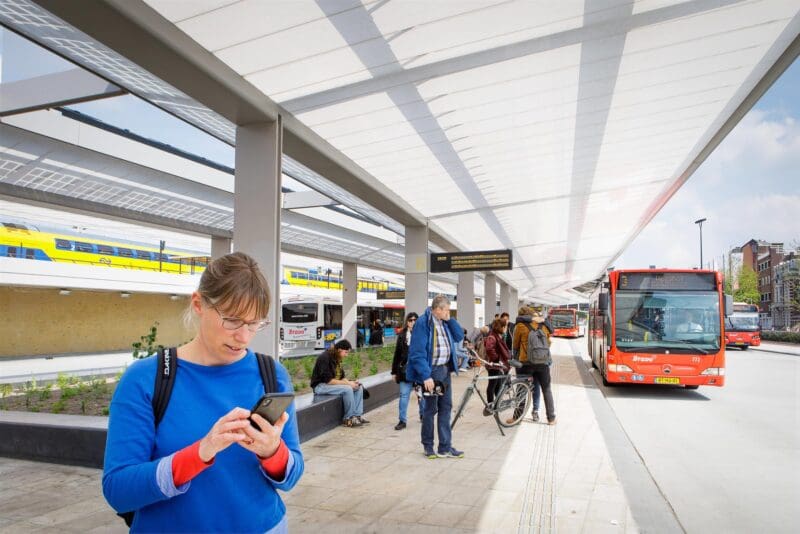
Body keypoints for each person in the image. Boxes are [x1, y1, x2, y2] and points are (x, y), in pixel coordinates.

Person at [103, 252, 304, 533]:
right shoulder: (146, 379)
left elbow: (292, 474)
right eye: (232, 320)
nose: (244, 337)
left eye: (254, 323)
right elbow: (118, 490)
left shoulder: (271, 374)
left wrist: (273, 451)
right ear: (198, 304)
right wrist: (200, 453)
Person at [407, 294, 465, 459]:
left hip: (445, 371)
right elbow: (417, 353)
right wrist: (426, 376)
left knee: (446, 407)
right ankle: (428, 446)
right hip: (431, 372)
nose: (448, 312)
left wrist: (450, 320)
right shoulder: (423, 323)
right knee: (430, 409)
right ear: (438, 309)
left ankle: (445, 447)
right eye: (446, 310)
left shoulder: (445, 322)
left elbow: (459, 336)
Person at [310, 339, 369, 427]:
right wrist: (348, 384)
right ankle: (348, 418)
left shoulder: (337, 358)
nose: (346, 355)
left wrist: (351, 382)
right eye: (346, 352)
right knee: (348, 389)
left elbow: (342, 377)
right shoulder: (324, 357)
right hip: (320, 386)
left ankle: (357, 416)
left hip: (330, 384)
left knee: (358, 387)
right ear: (339, 350)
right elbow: (328, 380)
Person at [391, 312, 420, 430]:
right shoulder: (402, 335)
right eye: (410, 320)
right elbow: (397, 354)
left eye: (415, 320)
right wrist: (393, 372)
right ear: (407, 322)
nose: (413, 322)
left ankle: (423, 415)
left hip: (419, 370)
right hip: (405, 371)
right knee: (404, 395)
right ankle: (402, 420)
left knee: (421, 395)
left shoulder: (423, 334)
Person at [483, 318, 510, 415]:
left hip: (497, 366)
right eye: (505, 326)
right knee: (492, 386)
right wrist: (497, 359)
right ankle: (490, 406)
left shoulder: (497, 335)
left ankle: (497, 404)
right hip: (493, 365)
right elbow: (489, 349)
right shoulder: (493, 336)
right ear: (502, 327)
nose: (506, 328)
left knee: (498, 385)